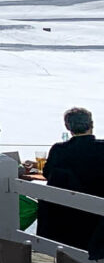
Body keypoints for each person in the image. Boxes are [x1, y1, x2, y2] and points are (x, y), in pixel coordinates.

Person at [40, 107, 104, 253]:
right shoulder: (102, 148)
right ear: (91, 124)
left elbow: (48, 173)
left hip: (63, 218)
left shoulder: (59, 150)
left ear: (68, 127)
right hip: (98, 218)